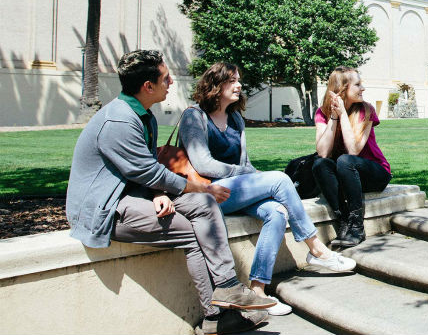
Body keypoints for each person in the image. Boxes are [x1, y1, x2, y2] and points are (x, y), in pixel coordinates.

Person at [66, 50, 273, 335]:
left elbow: (144, 169)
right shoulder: (119, 121)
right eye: (165, 78)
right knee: (190, 228)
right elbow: (149, 173)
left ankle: (227, 287)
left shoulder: (143, 116)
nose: (172, 81)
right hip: (105, 207)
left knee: (203, 205)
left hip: (134, 195)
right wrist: (199, 185)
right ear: (147, 86)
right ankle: (215, 317)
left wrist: (156, 194)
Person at [179, 62, 355, 316]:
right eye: (232, 80)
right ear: (215, 85)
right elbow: (203, 164)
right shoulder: (194, 116)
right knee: (278, 180)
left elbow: (244, 164)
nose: (239, 85)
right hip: (207, 194)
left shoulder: (235, 118)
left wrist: (256, 176)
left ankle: (258, 290)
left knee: (276, 212)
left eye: (239, 80)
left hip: (235, 189)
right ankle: (316, 249)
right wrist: (253, 176)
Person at [313, 67, 392, 248]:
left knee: (345, 160)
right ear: (342, 89)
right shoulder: (322, 113)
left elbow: (353, 150)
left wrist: (343, 115)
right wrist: (333, 117)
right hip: (347, 174)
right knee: (320, 164)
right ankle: (344, 222)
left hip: (375, 172)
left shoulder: (366, 110)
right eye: (357, 85)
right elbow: (323, 152)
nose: (362, 88)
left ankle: (357, 226)